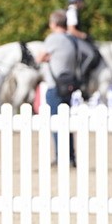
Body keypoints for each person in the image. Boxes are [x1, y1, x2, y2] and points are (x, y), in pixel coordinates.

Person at [34, 9, 78, 165]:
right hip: (68, 85)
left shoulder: (53, 39)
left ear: (53, 24)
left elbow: (39, 58)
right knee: (66, 121)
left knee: (56, 122)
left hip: (55, 86)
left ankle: (61, 157)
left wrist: (46, 58)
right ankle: (71, 156)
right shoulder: (71, 39)